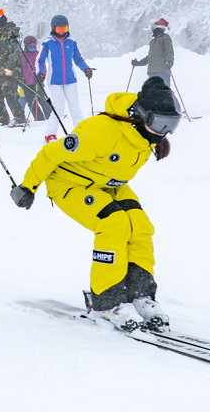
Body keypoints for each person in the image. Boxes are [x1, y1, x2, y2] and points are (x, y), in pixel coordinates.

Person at [10, 77, 182, 329]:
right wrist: (28, 186)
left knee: (139, 224)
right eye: (160, 123)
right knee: (113, 223)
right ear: (140, 114)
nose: (164, 131)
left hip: (109, 185)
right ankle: (106, 302)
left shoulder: (145, 134)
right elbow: (51, 153)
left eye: (172, 125)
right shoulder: (101, 132)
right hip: (70, 184)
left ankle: (139, 293)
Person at [37, 14, 93, 142]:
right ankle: (50, 134)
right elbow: (40, 60)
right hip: (54, 81)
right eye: (59, 29)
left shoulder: (71, 42)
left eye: (64, 28)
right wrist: (41, 73)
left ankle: (80, 131)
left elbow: (78, 58)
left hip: (70, 80)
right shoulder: (48, 43)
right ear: (53, 28)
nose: (62, 32)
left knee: (75, 107)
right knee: (58, 108)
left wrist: (86, 69)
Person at [0, 10, 28, 126]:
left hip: (9, 72)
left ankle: (20, 119)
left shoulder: (12, 33)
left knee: (10, 94)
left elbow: (16, 52)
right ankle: (2, 119)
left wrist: (7, 68)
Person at [131, 18, 174, 84]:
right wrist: (138, 63)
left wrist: (170, 61)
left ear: (159, 28)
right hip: (152, 72)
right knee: (153, 92)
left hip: (162, 71)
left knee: (164, 91)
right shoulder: (152, 41)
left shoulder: (165, 38)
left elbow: (169, 51)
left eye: (154, 28)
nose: (153, 30)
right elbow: (149, 57)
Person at [20, 35, 49, 121]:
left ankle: (50, 116)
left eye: (34, 45)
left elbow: (43, 67)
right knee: (31, 102)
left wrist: (41, 76)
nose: (33, 47)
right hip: (26, 83)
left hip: (37, 82)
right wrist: (20, 78)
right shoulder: (22, 55)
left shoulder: (37, 54)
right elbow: (19, 68)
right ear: (25, 45)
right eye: (30, 45)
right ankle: (39, 118)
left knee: (42, 100)